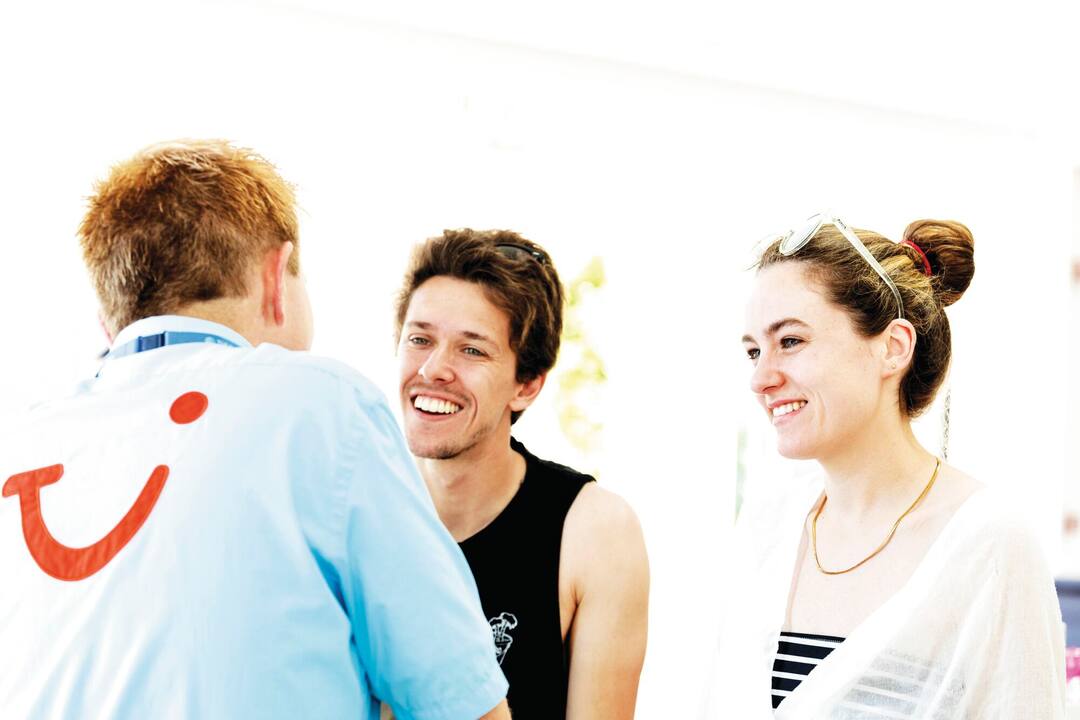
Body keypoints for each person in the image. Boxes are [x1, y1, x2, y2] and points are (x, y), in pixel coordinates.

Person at [0, 140, 510, 720]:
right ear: (275, 277)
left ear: (108, 321)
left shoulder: (20, 441)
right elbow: (464, 706)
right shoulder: (320, 404)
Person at [711, 213, 1065, 717]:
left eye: (790, 341)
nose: (760, 378)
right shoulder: (768, 523)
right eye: (753, 352)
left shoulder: (987, 543)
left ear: (893, 348)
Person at [393, 229, 650, 718]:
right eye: (419, 339)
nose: (433, 369)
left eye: (472, 350)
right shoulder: (357, 509)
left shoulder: (595, 531)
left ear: (526, 385)